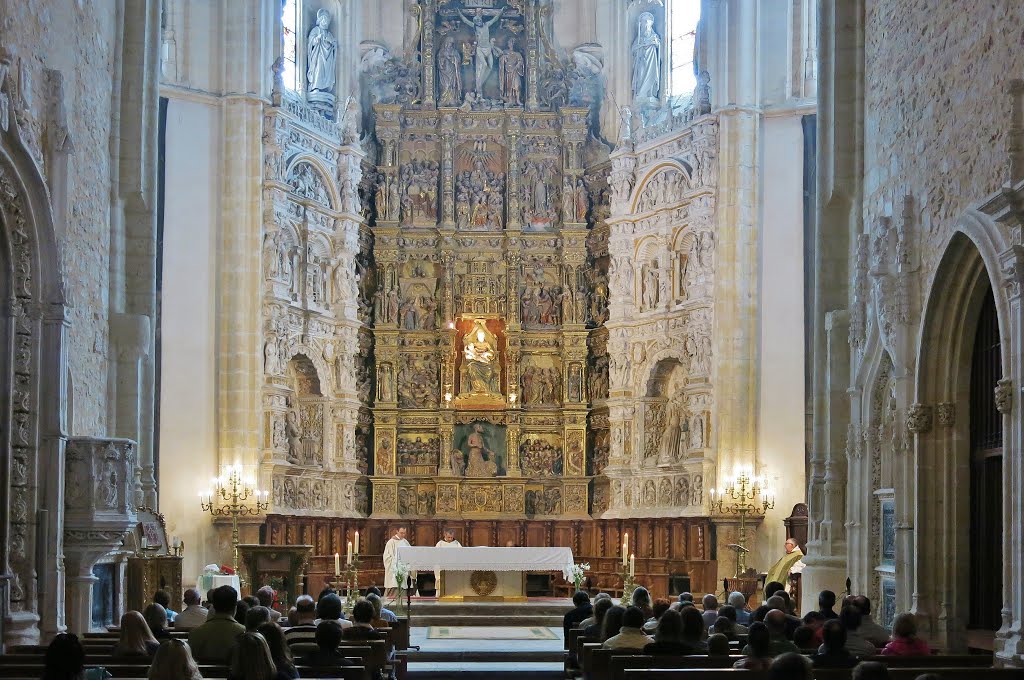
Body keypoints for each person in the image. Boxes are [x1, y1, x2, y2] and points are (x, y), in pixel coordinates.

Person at [187, 585, 246, 663]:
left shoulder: (195, 633)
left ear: (213, 606)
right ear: (235, 608)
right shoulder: (243, 632)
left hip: (203, 675)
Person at [383, 526, 411, 600]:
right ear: (397, 531)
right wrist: (395, 562)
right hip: (394, 569)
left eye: (404, 533)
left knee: (403, 586)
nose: (403, 535)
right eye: (401, 533)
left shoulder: (405, 542)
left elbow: (410, 554)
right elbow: (386, 557)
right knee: (394, 585)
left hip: (403, 569)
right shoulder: (391, 542)